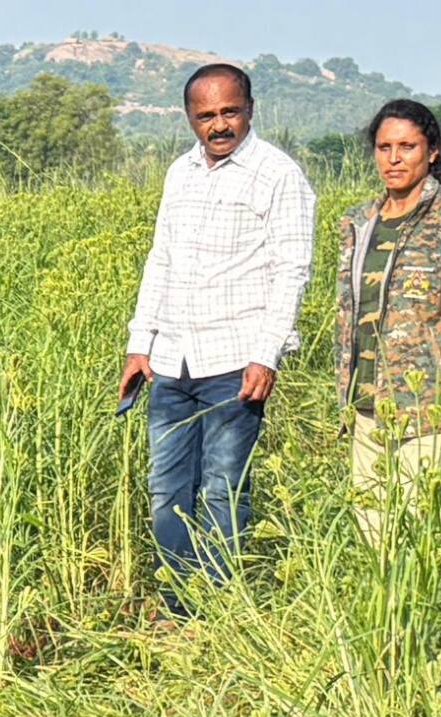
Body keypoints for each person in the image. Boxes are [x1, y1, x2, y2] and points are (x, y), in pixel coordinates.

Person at [118, 62, 315, 607]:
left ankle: (220, 610)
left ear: (250, 110)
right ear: (189, 117)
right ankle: (178, 604)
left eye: (230, 111)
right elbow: (161, 260)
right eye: (206, 115)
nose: (219, 125)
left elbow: (292, 269)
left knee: (223, 488)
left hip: (235, 361)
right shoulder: (180, 172)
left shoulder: (277, 174)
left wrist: (266, 354)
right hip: (172, 359)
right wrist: (140, 343)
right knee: (166, 489)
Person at [335, 99, 441, 542]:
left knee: (422, 528)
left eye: (407, 147)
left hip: (431, 406)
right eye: (384, 147)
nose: (394, 158)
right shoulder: (359, 222)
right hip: (367, 401)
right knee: (372, 529)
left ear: (432, 151)